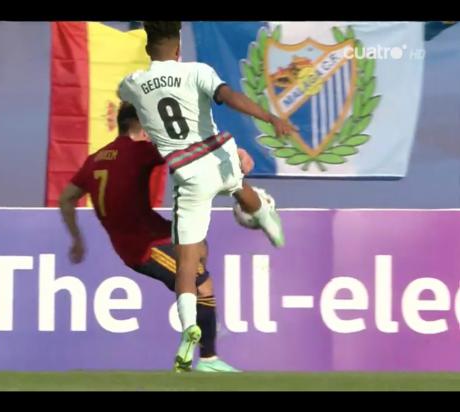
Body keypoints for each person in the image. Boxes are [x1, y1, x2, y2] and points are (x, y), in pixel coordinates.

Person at [117, 21, 295, 371]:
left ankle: (188, 330)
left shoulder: (133, 84)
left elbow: (126, 96)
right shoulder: (197, 71)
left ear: (148, 47)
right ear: (179, 46)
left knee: (187, 261)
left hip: (188, 175)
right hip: (219, 156)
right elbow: (228, 96)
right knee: (240, 189)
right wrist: (269, 116)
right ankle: (266, 218)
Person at [59, 103, 256, 372]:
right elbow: (188, 151)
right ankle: (208, 359)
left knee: (198, 244)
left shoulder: (95, 158)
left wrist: (76, 238)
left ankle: (198, 319)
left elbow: (66, 198)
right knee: (204, 286)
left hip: (152, 233)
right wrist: (236, 153)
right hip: (143, 247)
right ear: (138, 124)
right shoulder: (138, 150)